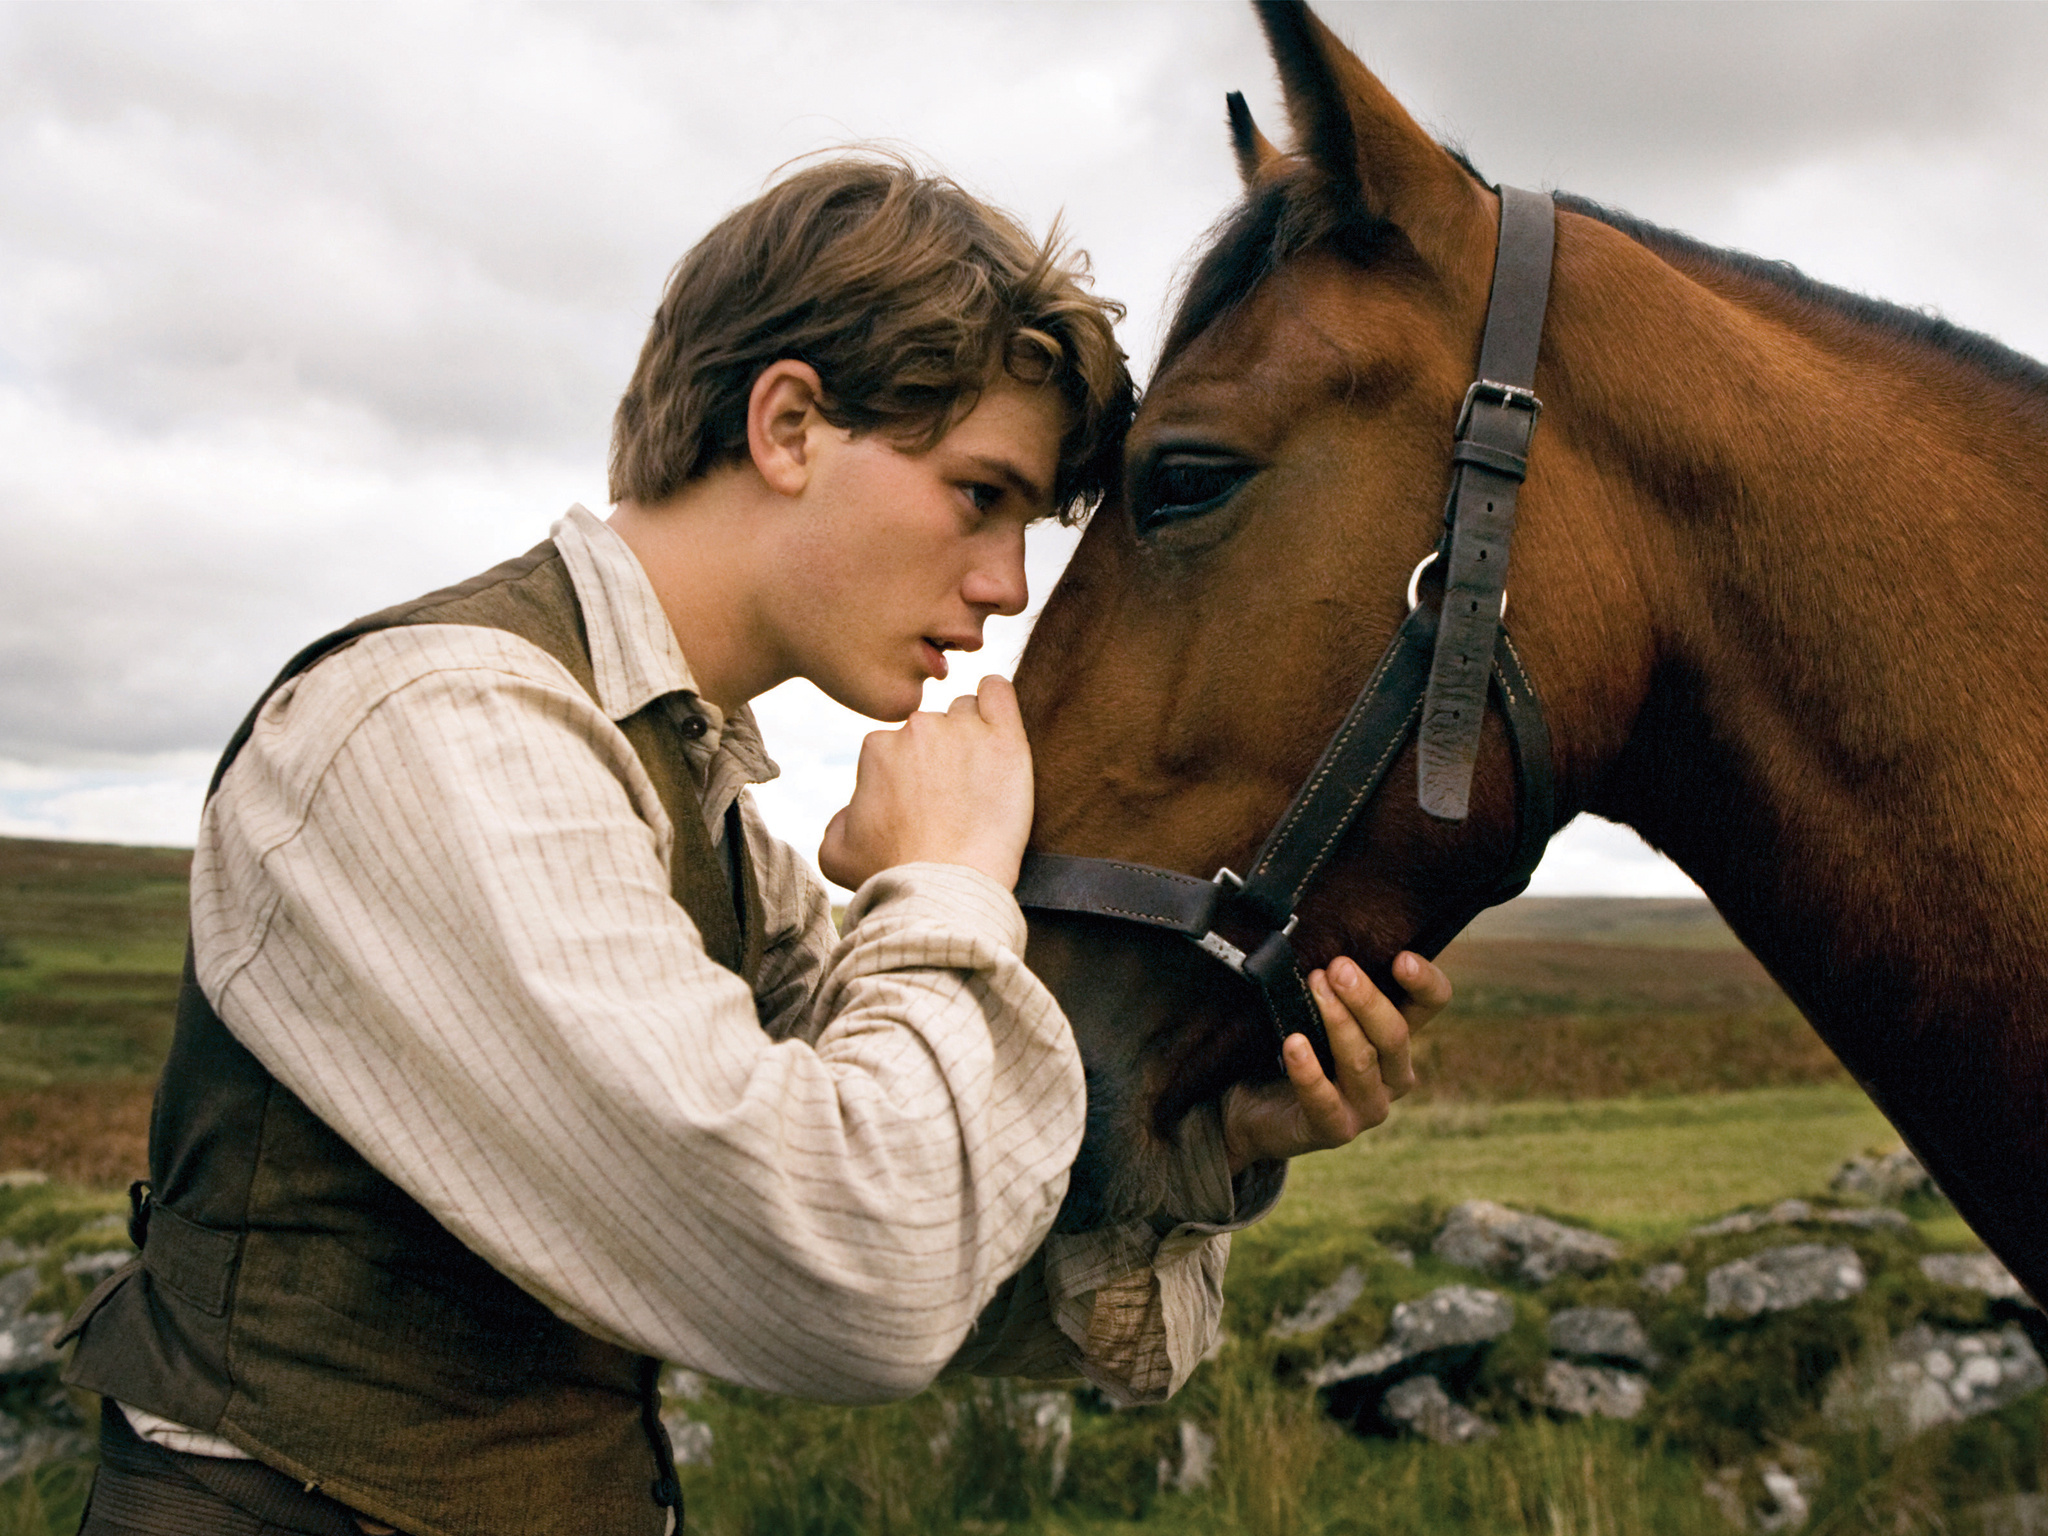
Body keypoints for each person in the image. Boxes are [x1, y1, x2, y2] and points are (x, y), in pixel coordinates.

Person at [61, 156, 1450, 1536]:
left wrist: (1200, 1143)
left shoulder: (695, 791)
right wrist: (951, 885)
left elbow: (938, 1230)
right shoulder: (437, 728)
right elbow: (858, 1279)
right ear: (788, 425)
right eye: (981, 495)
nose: (1007, 586)